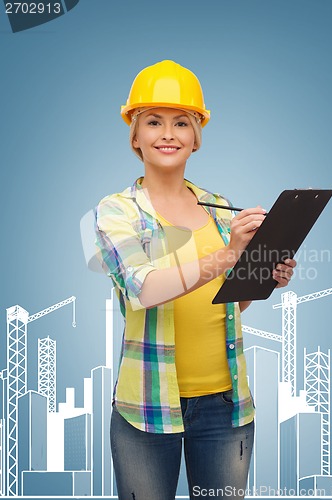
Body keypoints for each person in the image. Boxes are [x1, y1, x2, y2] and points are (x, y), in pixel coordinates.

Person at [94, 60, 296, 500]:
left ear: (196, 136)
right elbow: (145, 289)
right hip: (146, 410)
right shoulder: (117, 212)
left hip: (225, 408)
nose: (168, 133)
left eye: (181, 122)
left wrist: (261, 275)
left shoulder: (218, 207)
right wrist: (226, 255)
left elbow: (230, 304)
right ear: (135, 135)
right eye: (154, 122)